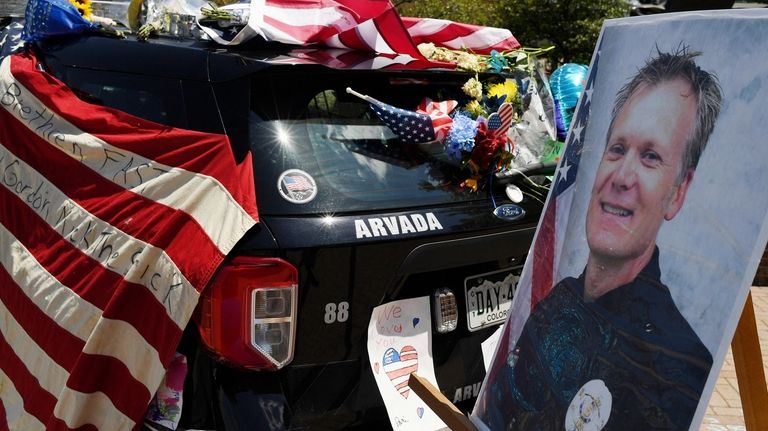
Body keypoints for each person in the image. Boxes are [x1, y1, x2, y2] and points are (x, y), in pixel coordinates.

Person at [479, 47, 723, 430]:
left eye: (651, 157)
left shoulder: (676, 368)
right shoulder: (557, 300)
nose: (622, 176)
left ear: (678, 192)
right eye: (618, 149)